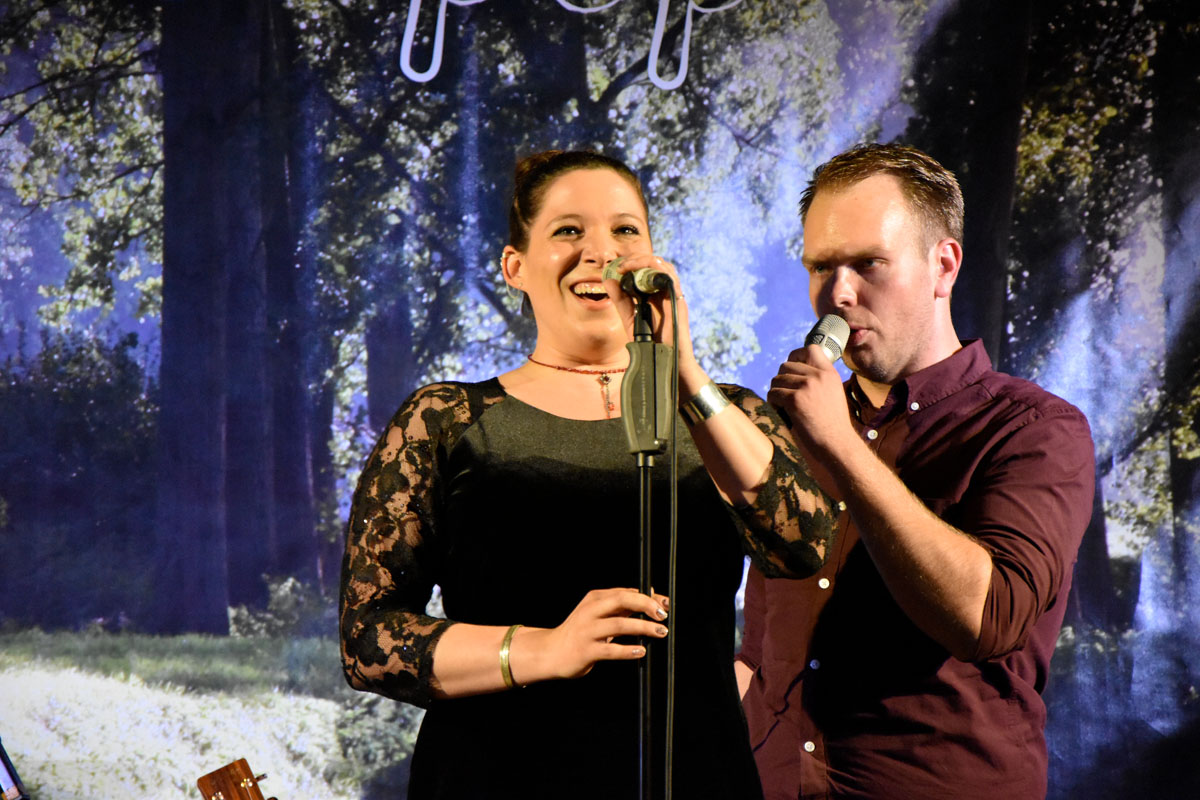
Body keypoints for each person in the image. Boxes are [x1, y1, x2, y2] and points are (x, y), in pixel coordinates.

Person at [340, 149, 837, 799]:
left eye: (625, 229)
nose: (601, 251)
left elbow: (803, 545)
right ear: (515, 267)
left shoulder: (727, 414)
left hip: (696, 775)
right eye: (568, 230)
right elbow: (368, 638)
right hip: (498, 780)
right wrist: (544, 650)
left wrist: (684, 373)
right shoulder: (446, 420)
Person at [737, 143, 1095, 800]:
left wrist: (842, 448)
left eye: (868, 263)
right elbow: (761, 646)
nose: (838, 294)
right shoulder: (795, 429)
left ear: (943, 266)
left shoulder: (1035, 429)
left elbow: (987, 617)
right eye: (820, 266)